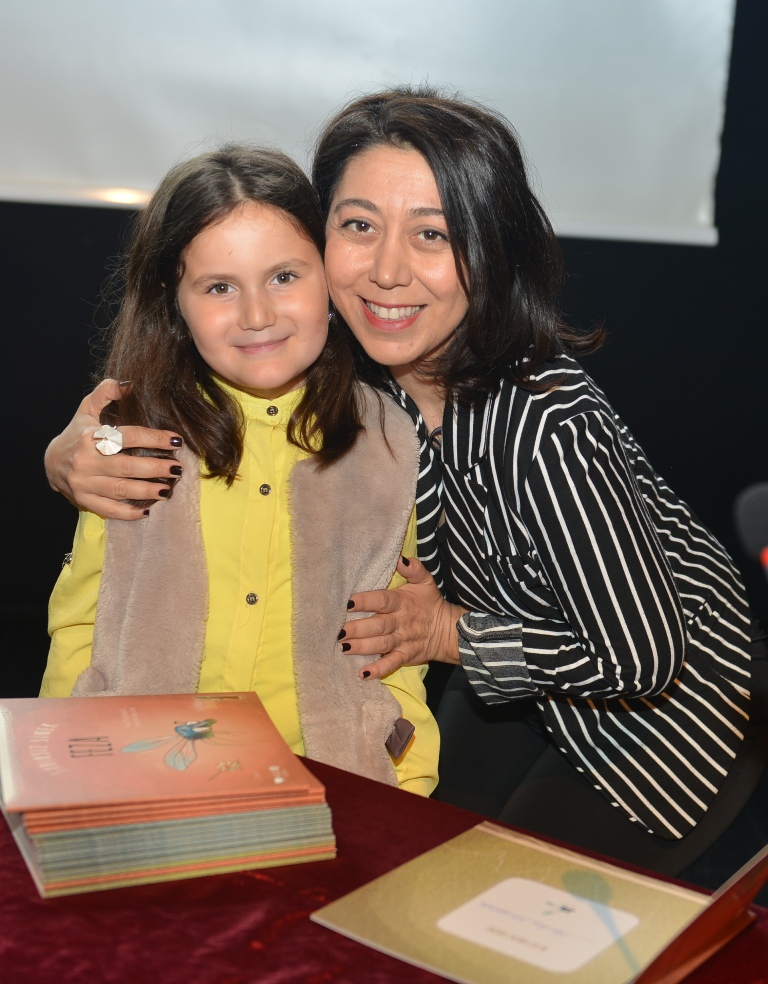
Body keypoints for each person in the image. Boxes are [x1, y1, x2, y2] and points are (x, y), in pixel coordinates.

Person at [44, 88, 767, 874]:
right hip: (515, 680)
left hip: (671, 712)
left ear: (489, 251)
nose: (387, 271)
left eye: (432, 234)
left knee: (493, 903)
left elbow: (642, 654)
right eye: (360, 226)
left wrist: (447, 633)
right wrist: (75, 453)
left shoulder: (545, 424)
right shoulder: (362, 371)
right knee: (421, 866)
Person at [41, 144, 438, 796]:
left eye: (284, 277)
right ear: (174, 301)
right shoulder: (130, 436)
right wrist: (56, 777)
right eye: (220, 287)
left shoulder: (389, 441)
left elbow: (394, 642)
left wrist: (409, 791)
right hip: (143, 779)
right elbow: (81, 622)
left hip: (331, 785)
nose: (257, 315)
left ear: (330, 277)